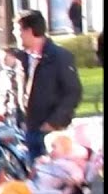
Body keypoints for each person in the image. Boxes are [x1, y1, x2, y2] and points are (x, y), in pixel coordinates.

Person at [14, 10, 83, 160]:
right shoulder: (22, 58)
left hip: (52, 132)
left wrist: (54, 122)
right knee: (35, 177)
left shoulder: (59, 57)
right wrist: (21, 119)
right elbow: (21, 91)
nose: (15, 35)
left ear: (29, 31)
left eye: (17, 30)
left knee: (54, 178)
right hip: (30, 129)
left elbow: (73, 92)